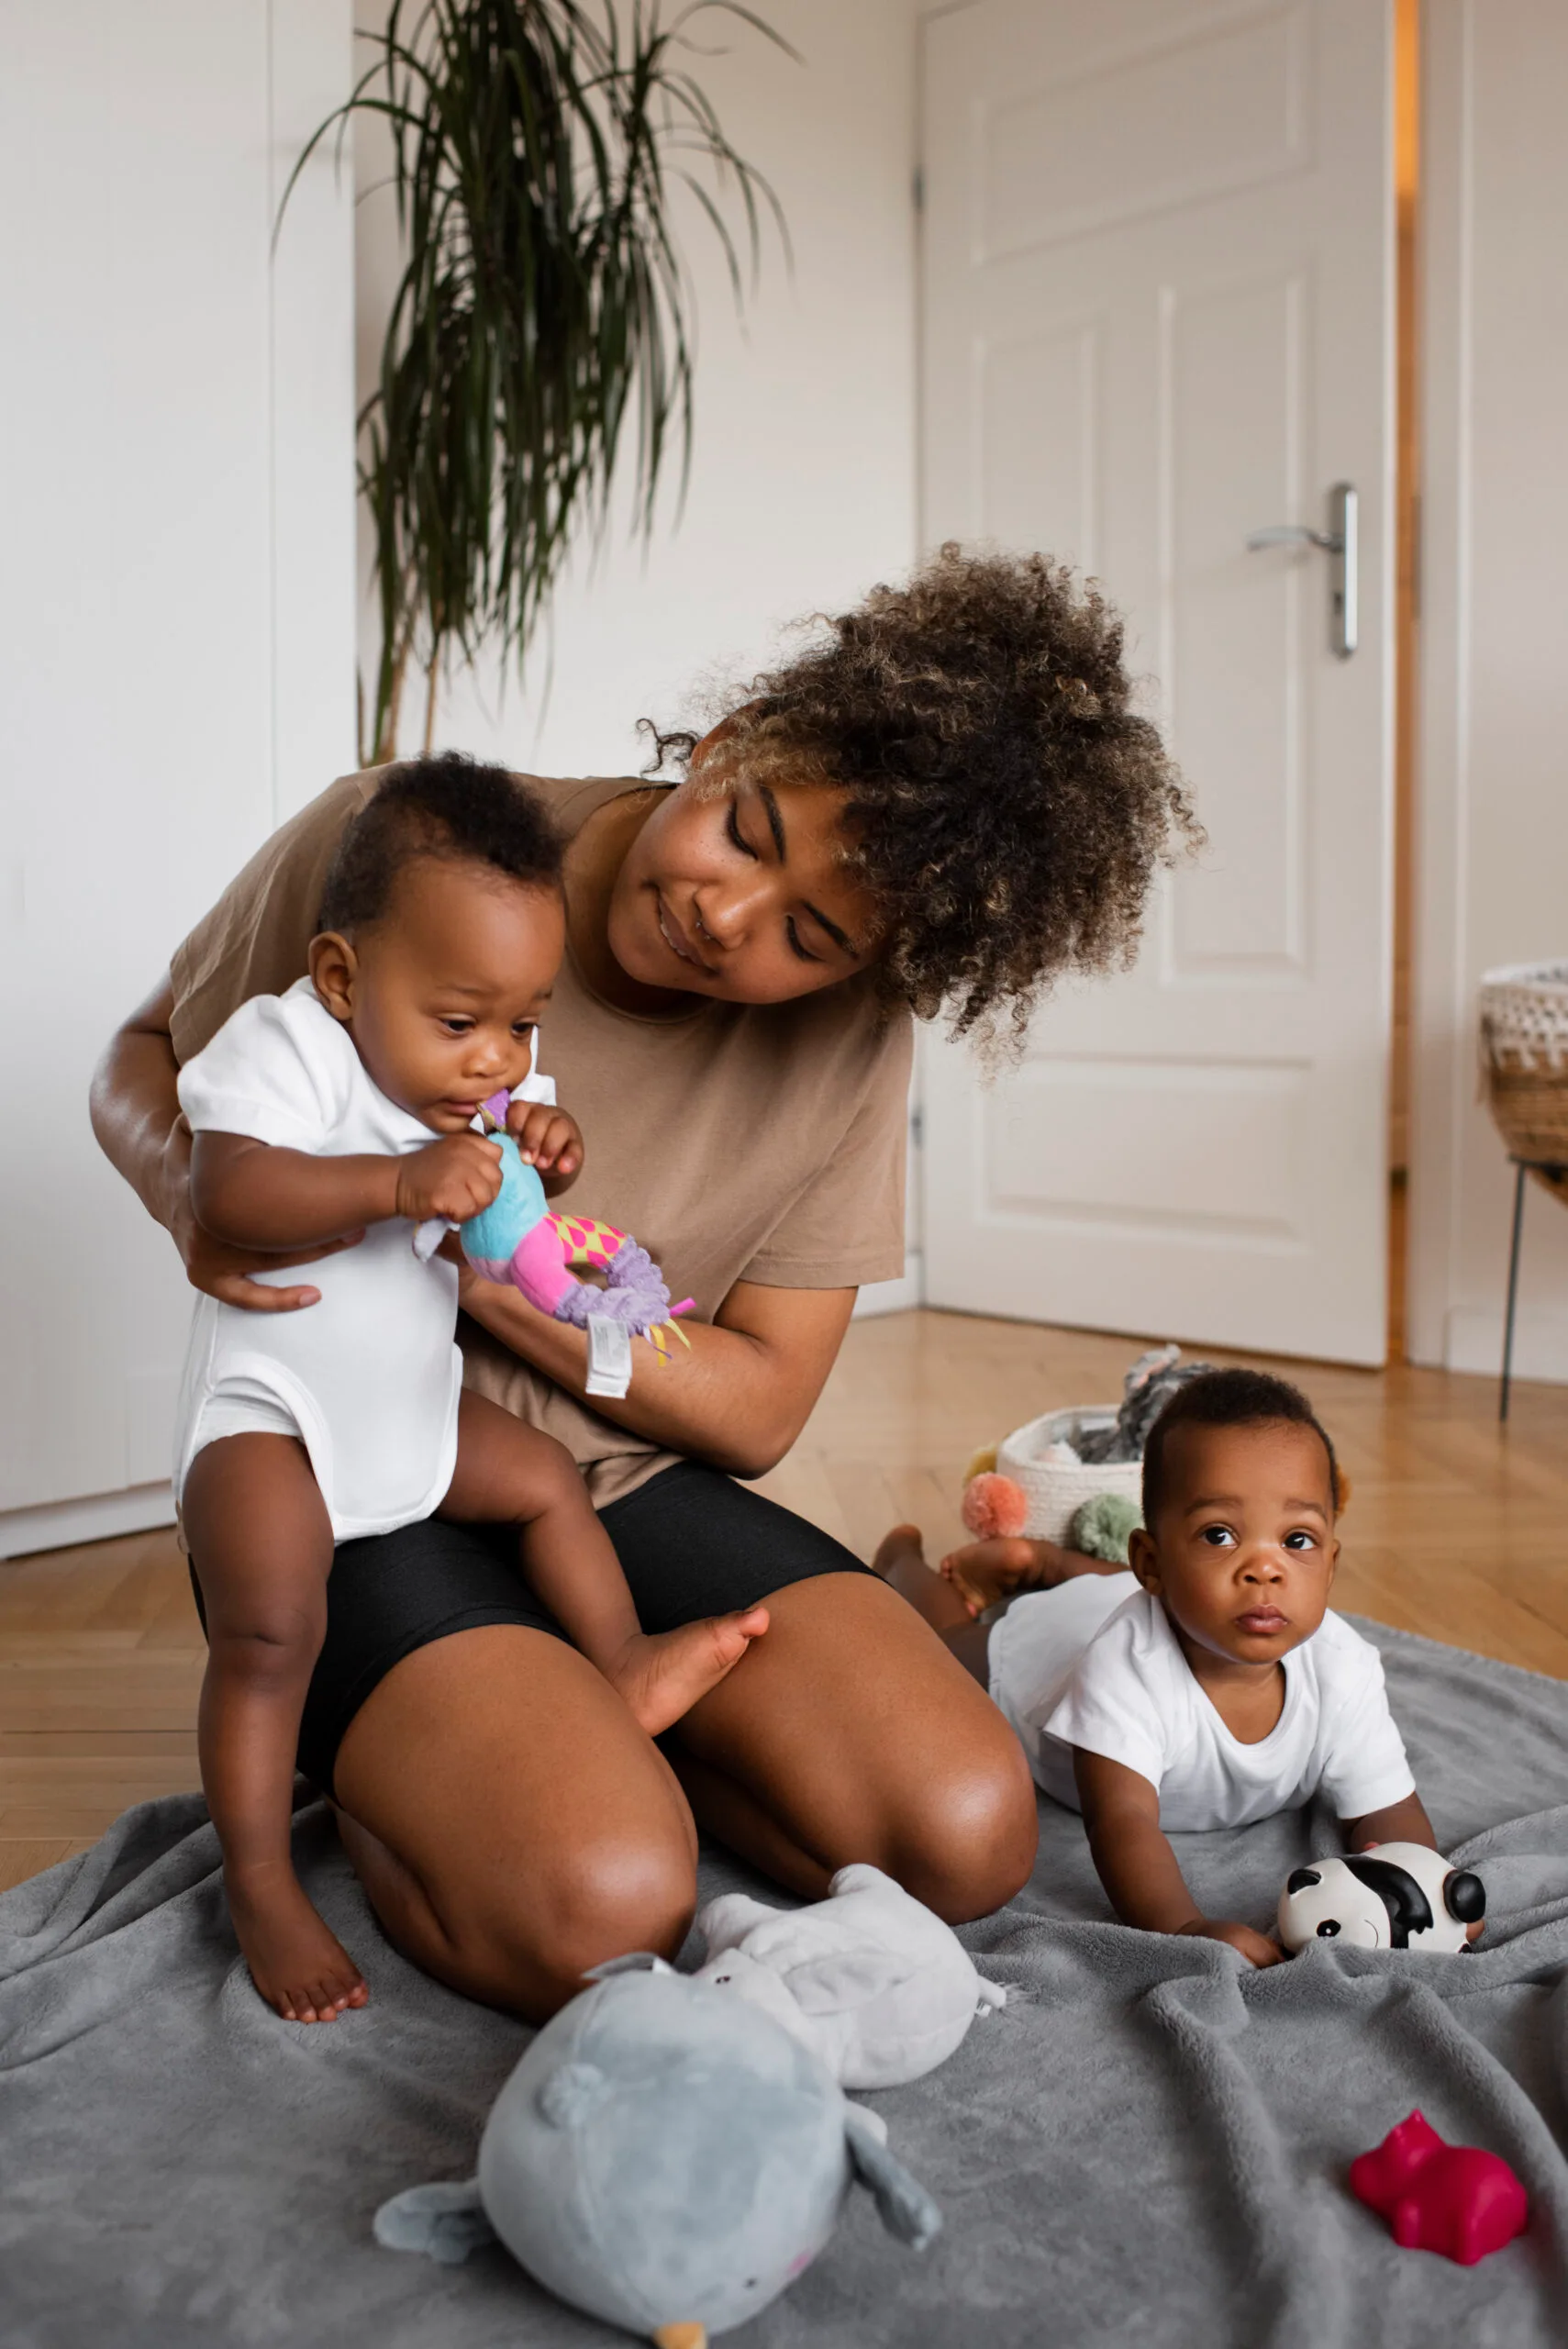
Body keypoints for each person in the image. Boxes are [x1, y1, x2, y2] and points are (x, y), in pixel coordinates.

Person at [91, 545, 1196, 2023]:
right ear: (730, 742)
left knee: (967, 1835)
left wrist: (509, 1275)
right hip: (351, 1466)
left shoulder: (850, 1047)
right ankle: (440, 1779)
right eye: (744, 833)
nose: (727, 919)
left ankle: (583, 1723)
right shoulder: (410, 850)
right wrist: (197, 1202)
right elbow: (142, 1055)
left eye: (812, 936)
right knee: (600, 1907)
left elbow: (751, 1415)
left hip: (610, 1491)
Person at [175, 762, 767, 2021]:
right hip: (278, 1418)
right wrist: (390, 1187)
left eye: (524, 1024)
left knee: (545, 1483)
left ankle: (615, 1659)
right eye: (461, 1023)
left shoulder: (479, 1085)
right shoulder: (286, 1050)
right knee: (270, 1634)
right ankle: (262, 1877)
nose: (495, 1058)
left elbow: (503, 1203)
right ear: (343, 980)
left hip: (415, 1406)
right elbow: (230, 1197)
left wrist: (540, 1157)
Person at [874, 1370, 1456, 1968]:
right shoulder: (1127, 1668)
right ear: (1150, 1562)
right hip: (1045, 1650)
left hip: (1143, 1601)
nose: (1265, 1569)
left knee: (1149, 1597)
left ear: (1330, 1563)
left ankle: (1046, 1563)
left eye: (1298, 1540)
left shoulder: (1342, 1670)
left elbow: (1386, 1809)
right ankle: (902, 1563)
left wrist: (1426, 1892)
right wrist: (1183, 1926)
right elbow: (1121, 1822)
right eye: (1220, 1534)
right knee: (940, 1646)